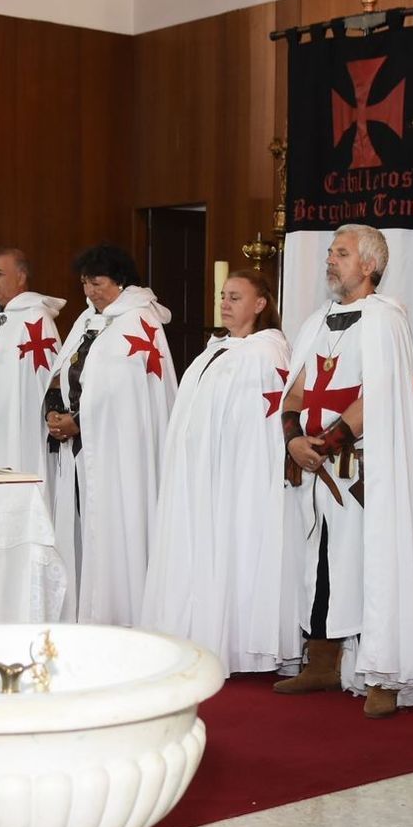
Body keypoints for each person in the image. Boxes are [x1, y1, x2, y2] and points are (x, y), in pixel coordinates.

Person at [273, 223, 413, 718]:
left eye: (341, 253)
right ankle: (323, 663)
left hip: (362, 472)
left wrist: (325, 445)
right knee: (319, 564)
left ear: (369, 265)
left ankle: (383, 672)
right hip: (316, 470)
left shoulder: (385, 320)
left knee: (374, 564)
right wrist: (294, 439)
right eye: (330, 252)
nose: (330, 259)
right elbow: (296, 390)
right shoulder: (316, 322)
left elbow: (379, 395)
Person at [140, 268, 296, 673]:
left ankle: (238, 642)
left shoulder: (266, 353)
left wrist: (226, 468)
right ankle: (194, 629)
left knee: (233, 546)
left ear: (260, 304)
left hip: (235, 477)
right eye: (223, 296)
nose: (224, 304)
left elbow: (257, 425)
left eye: (235, 297)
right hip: (198, 474)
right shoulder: (216, 349)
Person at [45, 244, 177, 625]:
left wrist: (79, 421)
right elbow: (61, 370)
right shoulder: (88, 320)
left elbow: (124, 394)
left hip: (118, 450)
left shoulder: (138, 321)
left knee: (115, 525)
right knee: (83, 527)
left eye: (97, 283)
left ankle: (118, 614)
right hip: (80, 446)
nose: (90, 291)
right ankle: (85, 610)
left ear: (120, 281)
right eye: (85, 283)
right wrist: (53, 410)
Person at [0, 248, 65, 476]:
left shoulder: (35, 319)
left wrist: (4, 415)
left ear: (21, 277)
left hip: (19, 430)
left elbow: (43, 384)